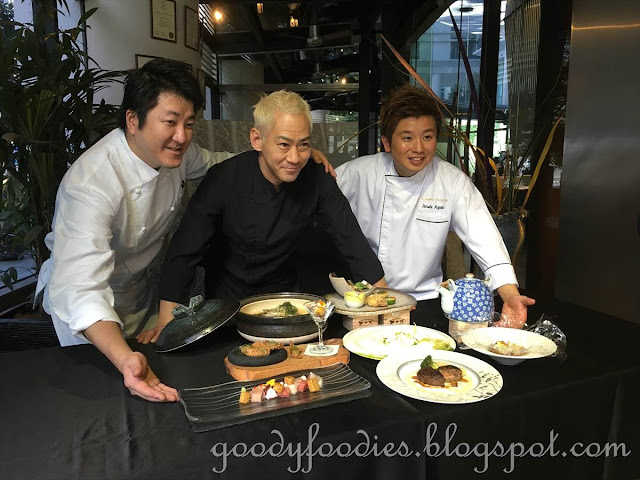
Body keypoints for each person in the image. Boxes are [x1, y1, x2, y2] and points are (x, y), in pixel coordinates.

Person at [35, 59, 334, 403]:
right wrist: (123, 357)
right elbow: (81, 288)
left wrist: (284, 154)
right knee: (104, 400)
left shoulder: (177, 154)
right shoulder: (90, 184)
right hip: (87, 313)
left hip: (138, 295)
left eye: (189, 124)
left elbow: (224, 164)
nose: (182, 136)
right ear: (133, 120)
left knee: (154, 387)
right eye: (170, 122)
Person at [145, 90, 386, 339]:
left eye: (304, 144)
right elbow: (185, 251)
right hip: (230, 308)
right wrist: (166, 324)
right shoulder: (224, 179)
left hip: (288, 303)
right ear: (257, 139)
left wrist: (386, 305)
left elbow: (350, 238)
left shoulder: (316, 177)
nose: (295, 157)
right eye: (284, 144)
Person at [335, 85, 534, 327]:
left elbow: (485, 238)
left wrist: (510, 295)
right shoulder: (359, 173)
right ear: (386, 142)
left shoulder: (451, 181)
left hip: (424, 301)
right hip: (365, 300)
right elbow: (318, 197)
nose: (419, 148)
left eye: (427, 137)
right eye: (407, 138)